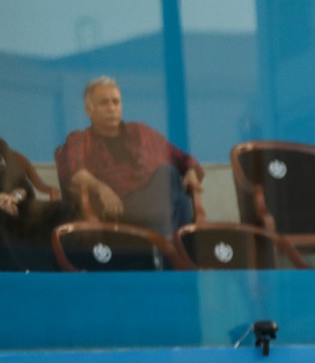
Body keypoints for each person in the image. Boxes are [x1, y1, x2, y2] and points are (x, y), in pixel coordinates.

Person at [54, 77, 203, 235]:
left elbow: (181, 157)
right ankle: (181, 243)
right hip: (116, 207)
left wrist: (190, 171)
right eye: (104, 103)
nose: (112, 108)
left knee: (172, 180)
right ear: (89, 109)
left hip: (152, 200)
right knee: (170, 179)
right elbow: (74, 169)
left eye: (116, 102)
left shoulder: (140, 132)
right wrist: (102, 189)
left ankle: (165, 240)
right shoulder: (80, 139)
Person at [0, 137, 69, 271]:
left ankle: (59, 265)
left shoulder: (7, 161)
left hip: (18, 205)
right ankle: (16, 270)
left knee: (61, 208)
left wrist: (14, 197)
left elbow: (23, 188)